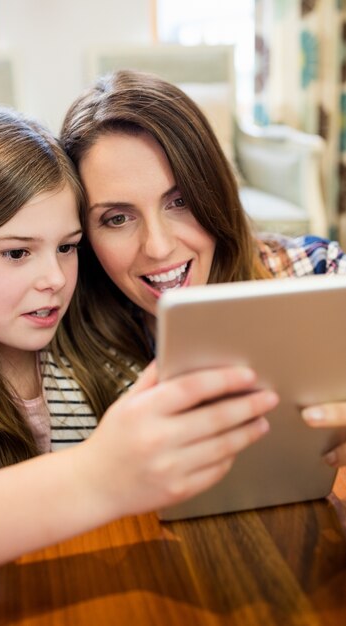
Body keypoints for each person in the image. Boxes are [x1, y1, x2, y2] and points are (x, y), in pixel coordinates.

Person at [0, 105, 278, 608]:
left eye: (67, 247)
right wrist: (95, 476)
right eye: (16, 253)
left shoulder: (88, 361)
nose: (54, 278)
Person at [60, 68, 346, 467]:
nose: (158, 248)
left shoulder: (316, 274)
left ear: (214, 190)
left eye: (179, 202)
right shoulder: (66, 355)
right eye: (118, 219)